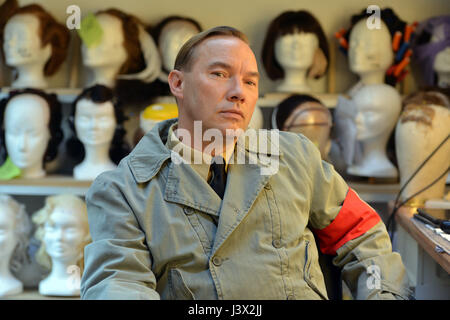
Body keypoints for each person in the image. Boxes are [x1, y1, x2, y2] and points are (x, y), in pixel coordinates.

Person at [81, 26, 412, 300]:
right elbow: (120, 282)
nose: (238, 91)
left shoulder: (295, 157)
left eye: (250, 81)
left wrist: (381, 293)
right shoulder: (123, 189)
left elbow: (361, 235)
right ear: (178, 84)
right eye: (220, 74)